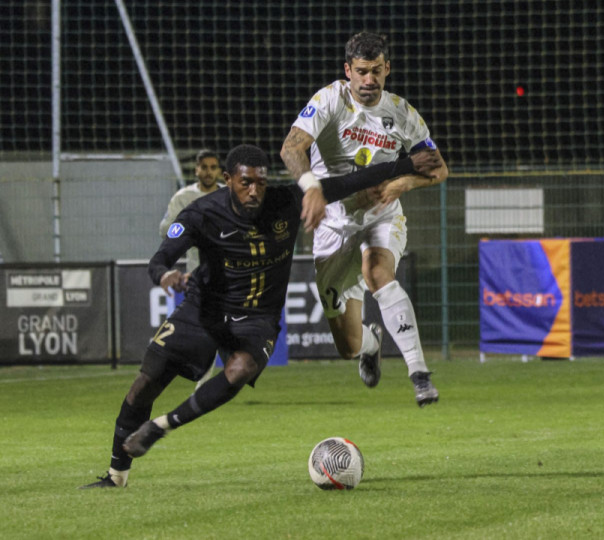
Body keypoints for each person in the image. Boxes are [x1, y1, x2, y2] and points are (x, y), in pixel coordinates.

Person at [80, 144, 441, 489]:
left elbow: (349, 182)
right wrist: (165, 276)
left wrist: (407, 164)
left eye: (261, 182)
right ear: (228, 180)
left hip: (257, 319)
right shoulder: (202, 213)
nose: (254, 191)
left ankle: (161, 427)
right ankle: (115, 476)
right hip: (203, 310)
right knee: (145, 383)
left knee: (239, 370)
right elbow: (161, 257)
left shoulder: (286, 201)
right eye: (245, 182)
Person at [280, 31, 449, 407]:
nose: (369, 80)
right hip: (332, 223)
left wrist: (401, 183)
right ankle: (371, 343)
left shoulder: (402, 114)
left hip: (380, 213)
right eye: (361, 71)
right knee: (347, 345)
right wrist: (311, 188)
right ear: (348, 71)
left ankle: (419, 375)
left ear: (387, 69)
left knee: (377, 271)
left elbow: (439, 170)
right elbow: (290, 148)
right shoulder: (329, 100)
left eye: (376, 71)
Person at [158, 149, 224, 271]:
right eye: (204, 167)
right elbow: (165, 231)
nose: (208, 172)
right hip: (196, 271)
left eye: (213, 167)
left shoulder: (230, 196)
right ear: (196, 170)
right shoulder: (183, 197)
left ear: (219, 171)